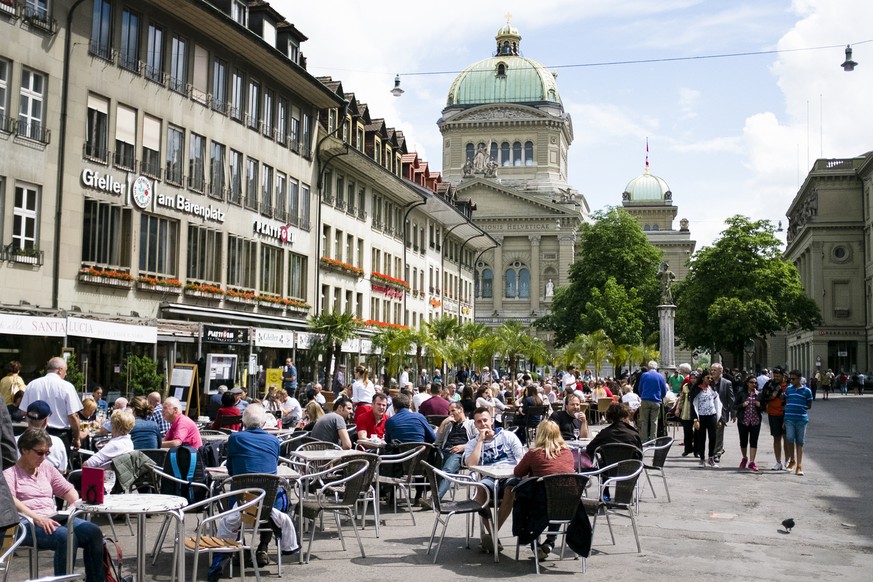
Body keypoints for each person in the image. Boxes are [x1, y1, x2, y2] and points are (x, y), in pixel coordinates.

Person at [210, 404, 299, 580]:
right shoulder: (274, 441)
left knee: (231, 496)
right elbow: (271, 465)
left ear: (243, 421)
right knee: (277, 498)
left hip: (242, 503)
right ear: (264, 421)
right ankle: (263, 547)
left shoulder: (235, 439)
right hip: (267, 504)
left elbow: (231, 470)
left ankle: (238, 547)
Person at [4, 428, 105, 582]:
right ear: (24, 450)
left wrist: (72, 506)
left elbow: (68, 490)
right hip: (26, 523)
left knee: (93, 532)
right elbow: (12, 500)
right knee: (65, 537)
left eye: (47, 453)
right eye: (40, 453)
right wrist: (38, 518)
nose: (44, 457)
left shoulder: (46, 468)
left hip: (53, 517)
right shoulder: (10, 473)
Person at [463, 407, 524, 552]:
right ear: (475, 425)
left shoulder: (508, 436)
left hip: (510, 476)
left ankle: (492, 533)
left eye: (485, 420)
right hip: (489, 477)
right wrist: (480, 441)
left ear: (492, 421)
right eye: (479, 422)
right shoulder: (472, 443)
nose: (483, 424)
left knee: (511, 490)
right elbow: (471, 464)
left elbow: (521, 459)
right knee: (480, 492)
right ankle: (493, 535)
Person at [513, 420, 575, 560]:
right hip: (569, 504)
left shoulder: (534, 454)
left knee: (524, 502)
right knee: (558, 500)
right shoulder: (568, 453)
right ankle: (551, 540)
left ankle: (535, 544)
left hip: (540, 504)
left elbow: (518, 472)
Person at [19, 357, 82, 455]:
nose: (66, 374)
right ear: (60, 370)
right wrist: (77, 438)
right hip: (59, 435)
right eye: (66, 371)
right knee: (58, 468)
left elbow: (23, 412)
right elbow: (73, 416)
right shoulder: (67, 386)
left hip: (34, 433)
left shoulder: (32, 385)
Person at [433, 401, 477, 499]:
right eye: (449, 412)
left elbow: (478, 440)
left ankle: (435, 499)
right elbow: (437, 441)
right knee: (431, 469)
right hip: (444, 451)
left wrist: (464, 446)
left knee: (447, 470)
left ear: (460, 410)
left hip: (458, 453)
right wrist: (443, 423)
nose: (451, 414)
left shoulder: (471, 424)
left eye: (453, 410)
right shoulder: (449, 425)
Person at [15, 400, 68, 472]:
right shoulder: (58, 443)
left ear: (27, 419)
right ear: (46, 421)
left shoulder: (13, 442)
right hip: (50, 482)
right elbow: (62, 470)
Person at [784, 370, 813, 476]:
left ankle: (799, 465)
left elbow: (809, 405)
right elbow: (786, 402)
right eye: (790, 379)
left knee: (800, 442)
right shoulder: (788, 390)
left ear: (799, 379)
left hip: (801, 419)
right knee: (790, 439)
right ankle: (792, 460)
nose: (791, 381)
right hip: (789, 418)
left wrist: (800, 408)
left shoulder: (807, 391)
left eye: (793, 379)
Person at [691, 370, 722, 468]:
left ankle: (711, 458)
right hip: (701, 416)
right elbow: (693, 405)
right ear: (703, 378)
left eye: (710, 378)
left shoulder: (712, 388)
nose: (709, 379)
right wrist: (695, 420)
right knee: (701, 438)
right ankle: (702, 459)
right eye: (707, 377)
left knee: (713, 437)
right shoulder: (696, 389)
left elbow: (717, 403)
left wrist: (719, 418)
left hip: (712, 415)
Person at [761, 367, 788, 470]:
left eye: (778, 376)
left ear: (783, 376)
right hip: (773, 414)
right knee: (776, 438)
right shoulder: (769, 384)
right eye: (774, 376)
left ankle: (787, 460)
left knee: (787, 438)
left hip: (787, 414)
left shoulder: (789, 386)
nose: (776, 378)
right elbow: (764, 396)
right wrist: (771, 397)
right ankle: (778, 462)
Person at [735, 375, 763, 471]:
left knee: (753, 441)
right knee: (743, 441)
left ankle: (752, 462)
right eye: (751, 382)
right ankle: (744, 458)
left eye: (755, 383)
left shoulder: (759, 394)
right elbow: (735, 406)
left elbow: (764, 408)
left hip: (755, 421)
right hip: (743, 420)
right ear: (747, 383)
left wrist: (760, 405)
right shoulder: (741, 393)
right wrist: (742, 405)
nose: (753, 384)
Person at [710, 363, 736, 463]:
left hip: (721, 412)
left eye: (714, 370)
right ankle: (714, 450)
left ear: (721, 371)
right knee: (711, 433)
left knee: (719, 433)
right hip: (708, 411)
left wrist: (733, 413)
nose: (712, 372)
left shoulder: (727, 383)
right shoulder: (708, 382)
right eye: (711, 370)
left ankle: (717, 453)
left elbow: (731, 399)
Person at [637, 360, 668, 443]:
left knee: (644, 421)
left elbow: (640, 388)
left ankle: (644, 439)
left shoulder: (644, 375)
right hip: (656, 401)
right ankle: (653, 440)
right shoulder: (660, 376)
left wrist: (642, 395)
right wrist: (661, 396)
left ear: (648, 367)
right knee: (654, 421)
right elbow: (664, 390)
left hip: (645, 399)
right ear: (656, 367)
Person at [675, 371, 698, 456]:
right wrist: (678, 408)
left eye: (695, 378)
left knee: (698, 433)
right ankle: (688, 449)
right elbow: (681, 399)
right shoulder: (685, 387)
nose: (693, 380)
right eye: (691, 378)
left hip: (697, 412)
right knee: (687, 432)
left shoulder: (700, 387)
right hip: (686, 411)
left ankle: (697, 451)